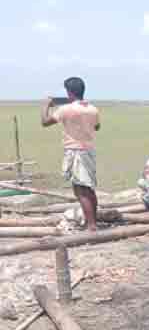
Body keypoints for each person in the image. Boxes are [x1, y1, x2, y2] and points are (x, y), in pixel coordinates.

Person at [41, 77, 100, 231]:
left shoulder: (66, 109)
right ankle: (93, 221)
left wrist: (46, 105)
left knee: (80, 190)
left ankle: (92, 226)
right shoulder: (93, 109)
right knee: (89, 188)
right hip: (88, 151)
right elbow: (97, 126)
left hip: (75, 152)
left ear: (69, 92)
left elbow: (45, 122)